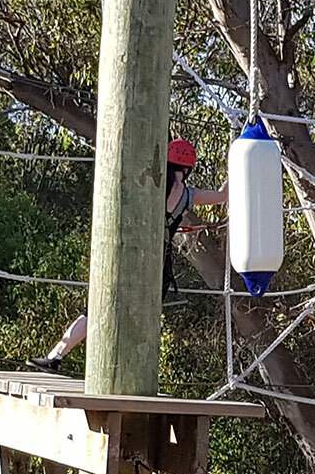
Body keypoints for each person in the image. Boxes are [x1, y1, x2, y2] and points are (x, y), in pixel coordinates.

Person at [26, 137, 227, 372]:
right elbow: (222, 196)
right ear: (189, 167)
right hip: (157, 264)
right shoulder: (189, 195)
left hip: (129, 254)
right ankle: (130, 370)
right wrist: (238, 161)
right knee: (142, 317)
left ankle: (56, 355)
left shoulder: (148, 184)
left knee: (96, 309)